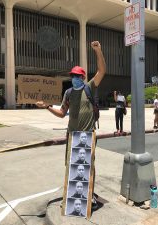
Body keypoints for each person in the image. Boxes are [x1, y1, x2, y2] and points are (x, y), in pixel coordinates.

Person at [36, 41, 105, 209]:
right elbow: (61, 113)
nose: (74, 78)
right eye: (72, 76)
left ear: (82, 78)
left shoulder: (89, 87)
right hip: (72, 135)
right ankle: (73, 196)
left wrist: (98, 51)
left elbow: (102, 70)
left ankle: (91, 197)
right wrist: (47, 106)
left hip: (87, 134)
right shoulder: (68, 93)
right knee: (72, 165)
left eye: (77, 76)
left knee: (88, 166)